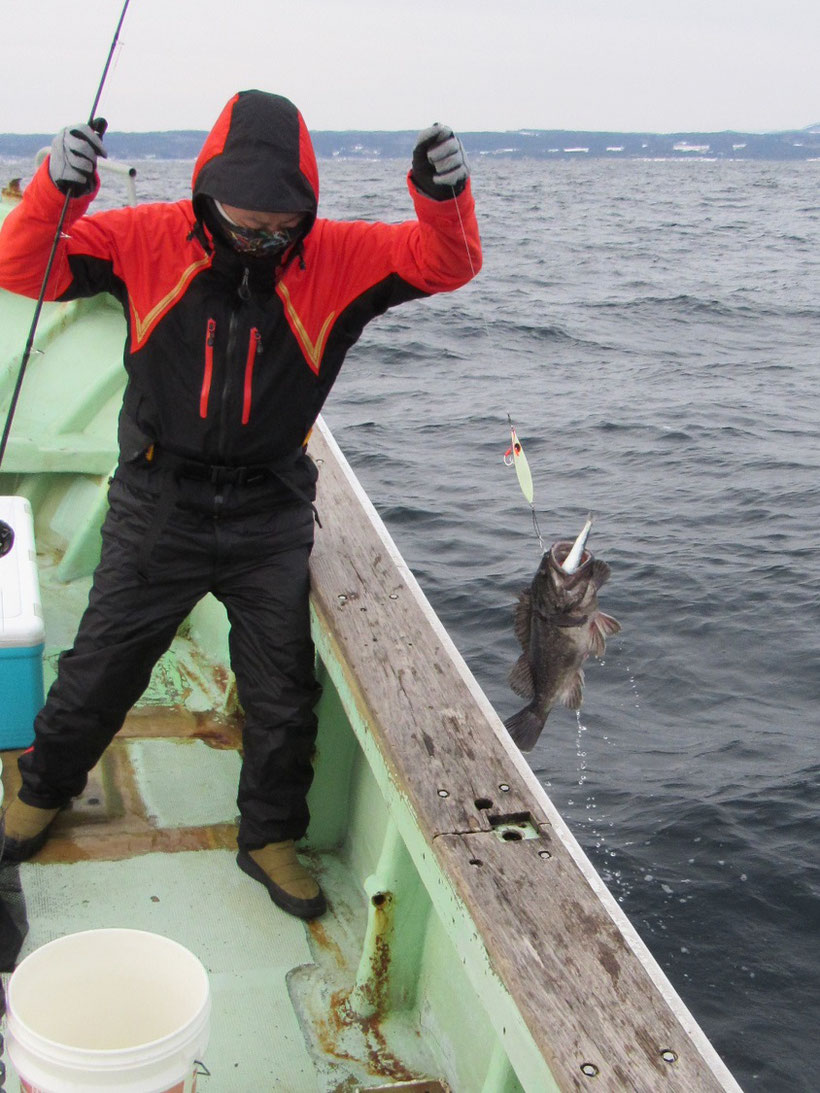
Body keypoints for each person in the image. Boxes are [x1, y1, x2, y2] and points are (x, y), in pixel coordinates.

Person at [0, 90, 481, 919]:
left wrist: (442, 201)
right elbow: (19, 266)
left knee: (283, 691)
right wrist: (56, 188)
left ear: (306, 211)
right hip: (160, 500)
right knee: (101, 668)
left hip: (271, 510)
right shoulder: (143, 236)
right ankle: (39, 792)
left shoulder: (337, 257)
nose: (259, 239)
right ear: (204, 195)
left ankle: (267, 838)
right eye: (241, 221)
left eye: (278, 227)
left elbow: (447, 263)